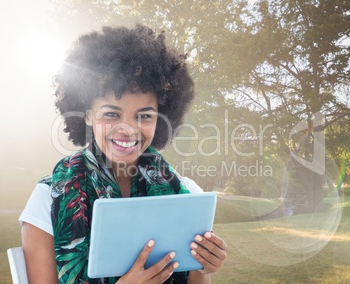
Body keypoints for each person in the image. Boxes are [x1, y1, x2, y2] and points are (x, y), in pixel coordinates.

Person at [19, 24, 227, 284]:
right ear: (86, 113)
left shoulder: (187, 194)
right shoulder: (47, 200)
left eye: (144, 116)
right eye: (111, 114)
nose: (128, 129)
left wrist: (202, 266)